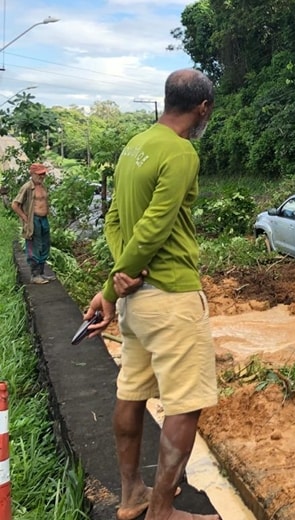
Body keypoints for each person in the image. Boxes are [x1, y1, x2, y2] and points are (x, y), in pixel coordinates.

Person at [83, 69, 220, 520]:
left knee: (132, 391)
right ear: (202, 108)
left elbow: (114, 220)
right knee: (186, 403)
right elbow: (156, 227)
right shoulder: (181, 153)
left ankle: (131, 496)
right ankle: (162, 511)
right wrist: (113, 282)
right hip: (172, 297)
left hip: (136, 301)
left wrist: (119, 282)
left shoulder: (133, 146)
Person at [12, 163, 53, 284]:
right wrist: (25, 218)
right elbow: (15, 205)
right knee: (34, 246)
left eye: (44, 174)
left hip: (44, 219)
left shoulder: (43, 186)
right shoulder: (27, 187)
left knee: (45, 245)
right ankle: (35, 275)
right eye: (40, 174)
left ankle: (41, 273)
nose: (42, 176)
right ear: (33, 174)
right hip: (33, 220)